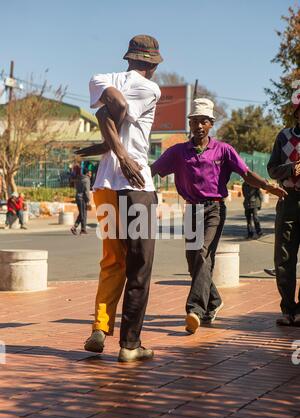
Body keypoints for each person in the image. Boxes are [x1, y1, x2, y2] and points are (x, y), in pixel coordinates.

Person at [152, 98, 287, 334]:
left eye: (203, 121)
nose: (199, 126)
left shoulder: (223, 150)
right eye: (194, 121)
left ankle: (194, 309)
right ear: (190, 124)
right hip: (191, 210)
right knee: (194, 261)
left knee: (203, 253)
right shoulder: (177, 152)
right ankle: (214, 301)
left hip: (214, 209)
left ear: (211, 124)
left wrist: (268, 187)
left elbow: (246, 173)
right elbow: (152, 170)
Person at [76, 35, 163, 362]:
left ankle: (101, 325)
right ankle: (130, 345)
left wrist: (105, 148)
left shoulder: (100, 79)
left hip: (104, 185)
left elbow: (105, 117)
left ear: (128, 58)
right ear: (152, 64)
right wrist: (125, 157)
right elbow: (123, 113)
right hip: (135, 182)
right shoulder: (150, 89)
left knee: (113, 258)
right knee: (140, 264)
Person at [267, 100, 300, 326]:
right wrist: (290, 168)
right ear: (296, 114)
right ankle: (288, 309)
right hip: (288, 200)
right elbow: (271, 169)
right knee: (284, 257)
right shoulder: (284, 136)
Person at [71, 168, 91, 235]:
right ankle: (75, 228)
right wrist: (88, 200)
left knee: (82, 214)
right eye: (90, 172)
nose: (91, 174)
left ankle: (83, 229)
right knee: (83, 214)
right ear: (87, 173)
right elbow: (86, 191)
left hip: (78, 197)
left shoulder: (79, 179)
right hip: (82, 198)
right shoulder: (87, 180)